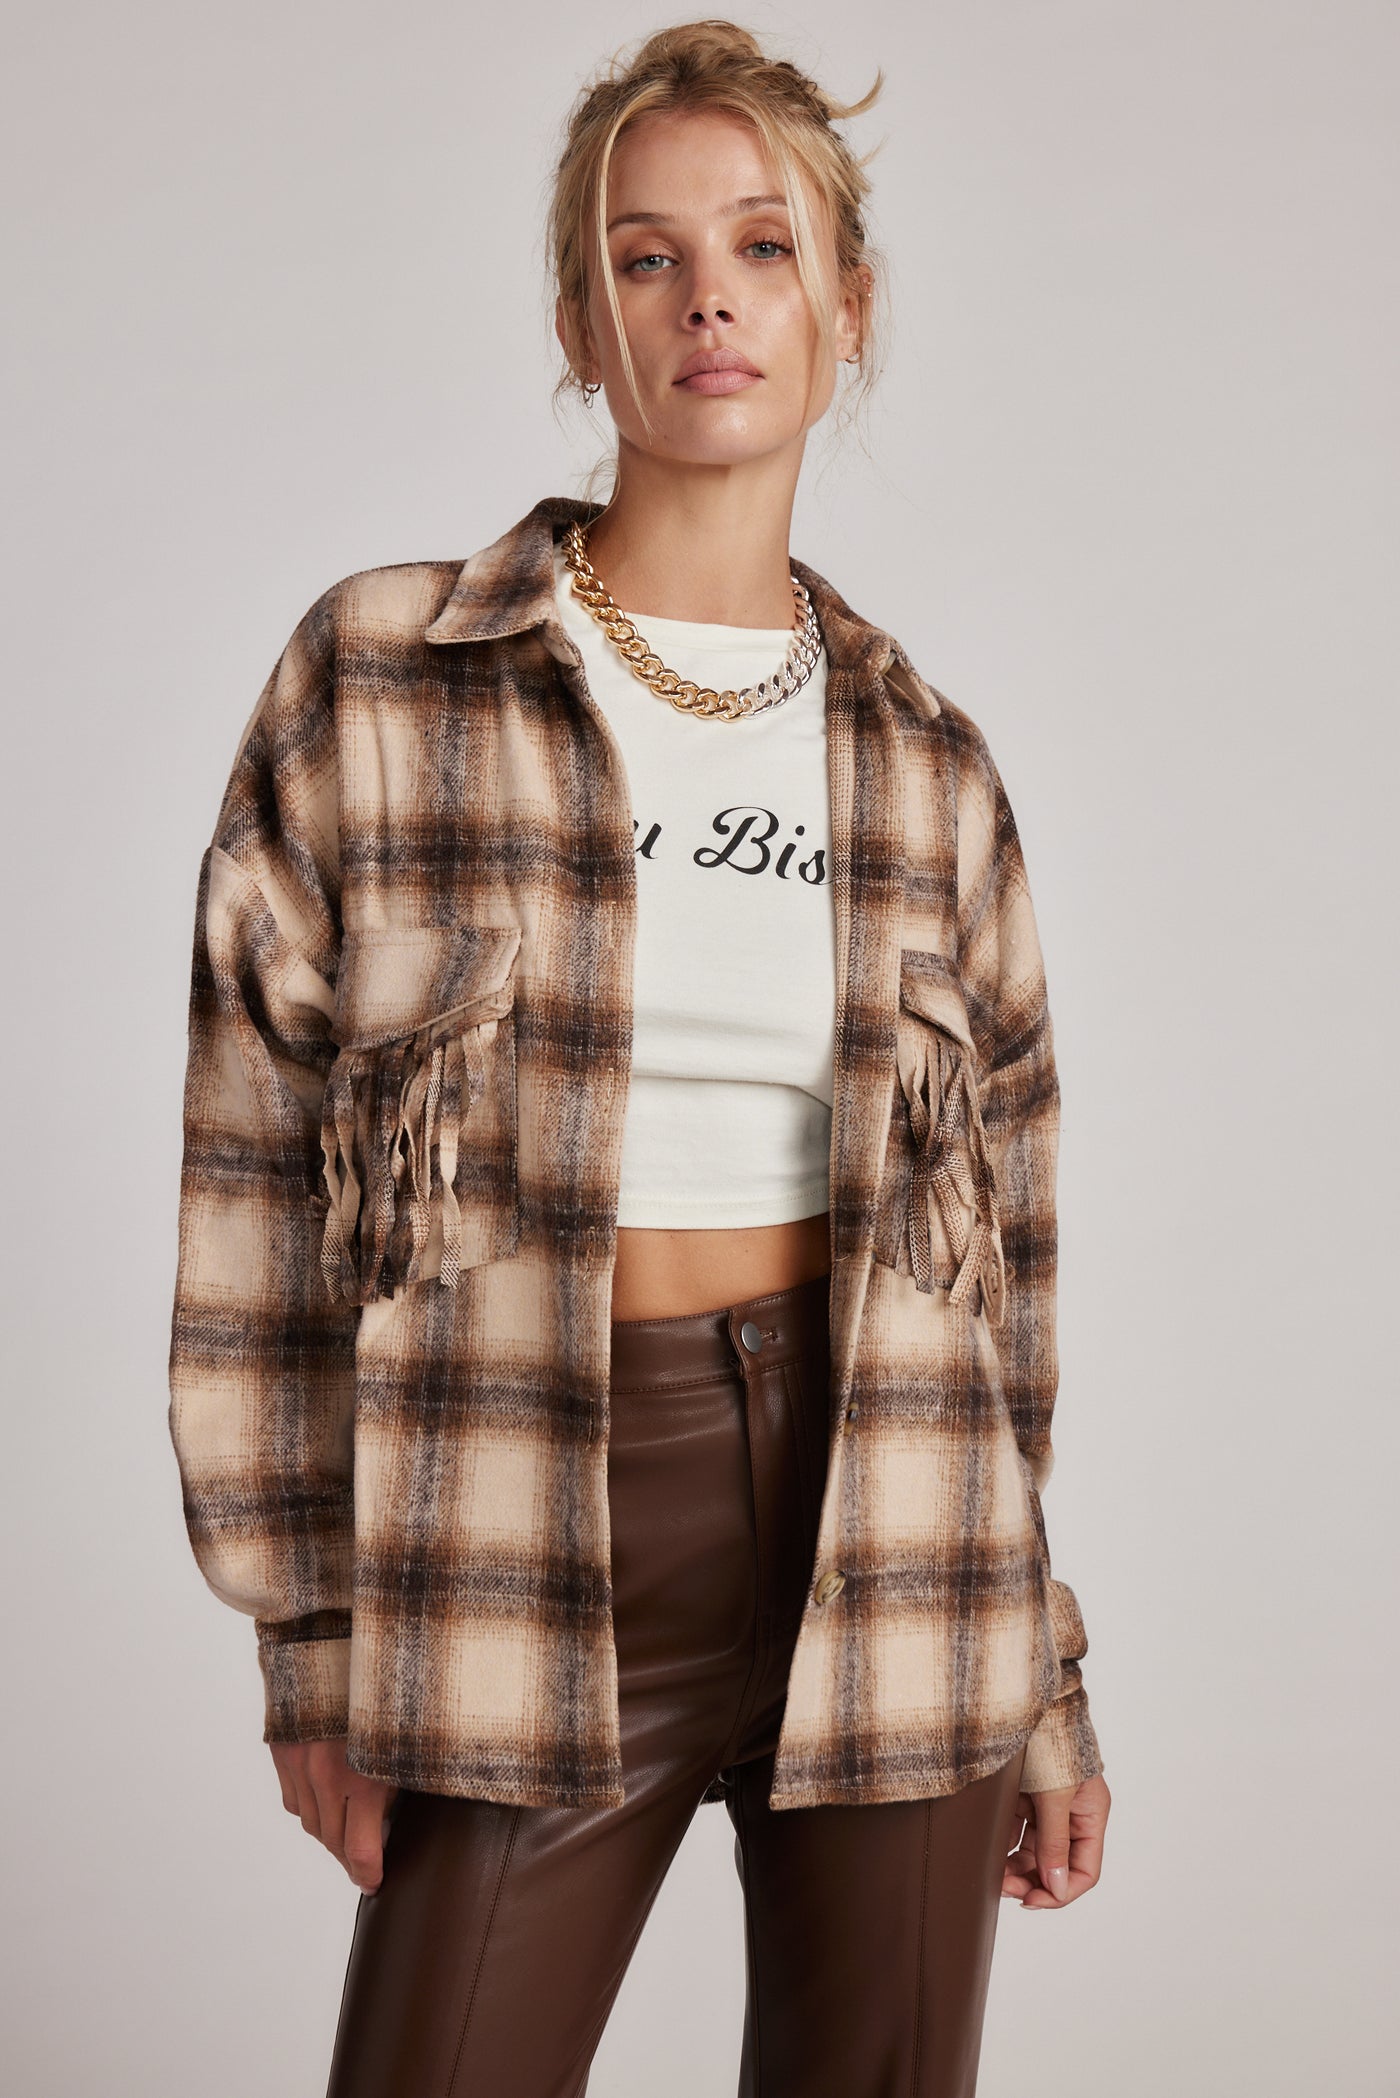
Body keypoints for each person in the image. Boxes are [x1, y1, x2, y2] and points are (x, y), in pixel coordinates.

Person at [167, 20, 1110, 2096]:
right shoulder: (387, 679)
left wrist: (1040, 1673)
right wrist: (308, 1633)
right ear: (580, 324)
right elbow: (249, 1174)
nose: (707, 299)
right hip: (527, 1513)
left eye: (763, 247)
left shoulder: (929, 767)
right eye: (644, 255)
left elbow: (1004, 1274)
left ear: (846, 308)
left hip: (900, 1529)